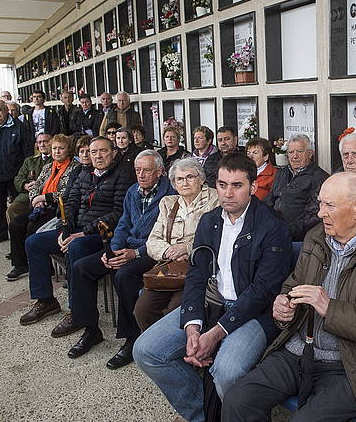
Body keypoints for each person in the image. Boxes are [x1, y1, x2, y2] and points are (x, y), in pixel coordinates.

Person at [223, 172, 356, 422]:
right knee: (238, 400)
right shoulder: (317, 236)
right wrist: (283, 304)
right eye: (320, 203)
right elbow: (293, 284)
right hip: (300, 351)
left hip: (355, 363)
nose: (320, 213)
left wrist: (331, 308)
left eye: (329, 205)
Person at [134, 153, 292, 422]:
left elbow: (263, 290)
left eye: (237, 185)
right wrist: (193, 326)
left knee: (227, 371)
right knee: (146, 350)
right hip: (213, 302)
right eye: (222, 184)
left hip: (256, 313)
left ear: (253, 188)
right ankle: (205, 414)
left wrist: (216, 333)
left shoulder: (273, 226)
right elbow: (197, 275)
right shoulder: (210, 221)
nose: (228, 193)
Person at [66, 150, 176, 369]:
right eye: (137, 170)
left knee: (124, 275)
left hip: (151, 252)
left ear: (160, 172)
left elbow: (167, 237)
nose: (141, 175)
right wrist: (114, 250)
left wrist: (135, 253)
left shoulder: (170, 195)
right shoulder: (133, 191)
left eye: (147, 170)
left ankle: (132, 338)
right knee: (81, 268)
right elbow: (123, 224)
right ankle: (91, 329)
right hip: (126, 247)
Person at [19, 137, 136, 337]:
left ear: (113, 152)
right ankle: (46, 300)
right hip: (76, 230)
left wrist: (83, 233)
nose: (98, 156)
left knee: (76, 247)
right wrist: (65, 230)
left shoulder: (124, 175)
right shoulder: (83, 172)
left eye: (103, 151)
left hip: (102, 234)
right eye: (93, 152)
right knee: (34, 242)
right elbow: (70, 202)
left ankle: (77, 311)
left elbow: (118, 213)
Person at [134, 157, 219, 332]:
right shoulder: (169, 203)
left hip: (199, 267)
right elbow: (152, 241)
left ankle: (184, 349)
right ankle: (155, 349)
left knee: (175, 310)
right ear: (173, 183)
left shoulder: (215, 200)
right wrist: (168, 251)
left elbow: (217, 237)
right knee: (142, 310)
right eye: (179, 179)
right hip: (170, 267)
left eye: (190, 177)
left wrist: (187, 248)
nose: (184, 183)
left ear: (201, 178)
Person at [6, 134, 77, 281]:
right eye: (54, 148)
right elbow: (35, 186)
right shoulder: (47, 167)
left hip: (57, 209)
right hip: (40, 206)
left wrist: (44, 197)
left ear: (68, 150)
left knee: (33, 228)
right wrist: (35, 199)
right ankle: (20, 264)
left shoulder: (75, 168)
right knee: (15, 224)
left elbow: (67, 192)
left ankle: (44, 267)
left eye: (61, 148)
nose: (57, 152)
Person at [0, 99, 33, 245]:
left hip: (15, 175)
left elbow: (27, 152)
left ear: (6, 110)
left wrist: (26, 174)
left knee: (18, 207)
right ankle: (1, 233)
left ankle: (21, 235)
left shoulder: (19, 126)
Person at [264, 134, 329, 241]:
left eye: (300, 151)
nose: (294, 156)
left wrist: (285, 231)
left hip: (296, 237)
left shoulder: (319, 177)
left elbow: (314, 214)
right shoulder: (282, 173)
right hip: (273, 230)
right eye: (290, 152)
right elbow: (270, 199)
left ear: (310, 154)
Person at [6, 132, 52, 225]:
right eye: (39, 142)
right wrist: (25, 185)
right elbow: (18, 178)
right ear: (37, 145)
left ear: (51, 143)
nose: (42, 144)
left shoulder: (56, 159)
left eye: (45, 141)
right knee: (12, 209)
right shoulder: (30, 160)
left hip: (47, 194)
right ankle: (18, 236)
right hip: (27, 195)